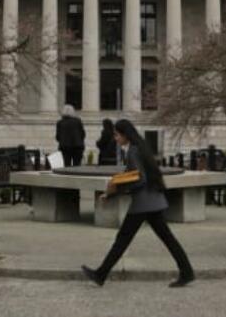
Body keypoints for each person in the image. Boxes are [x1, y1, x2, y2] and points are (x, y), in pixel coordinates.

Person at [81, 119, 194, 287]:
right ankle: (187, 271)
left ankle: (100, 274)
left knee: (123, 239)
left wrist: (116, 189)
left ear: (125, 135)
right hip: (153, 199)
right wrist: (113, 193)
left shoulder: (133, 152)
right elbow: (137, 176)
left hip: (143, 203)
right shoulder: (141, 147)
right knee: (167, 238)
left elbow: (138, 179)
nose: (116, 139)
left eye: (117, 135)